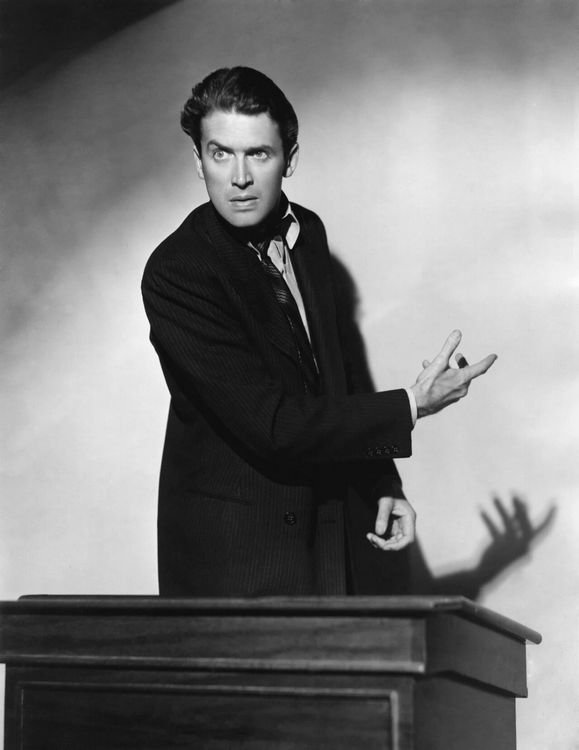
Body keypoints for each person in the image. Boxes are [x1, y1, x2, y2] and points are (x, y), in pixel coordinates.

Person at [141, 66, 496, 596]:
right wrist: (411, 405)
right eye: (220, 154)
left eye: (259, 154)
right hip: (234, 565)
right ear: (198, 160)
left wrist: (381, 481)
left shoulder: (307, 232)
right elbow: (274, 424)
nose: (239, 177)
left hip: (325, 539)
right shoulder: (179, 272)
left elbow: (335, 375)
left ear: (290, 158)